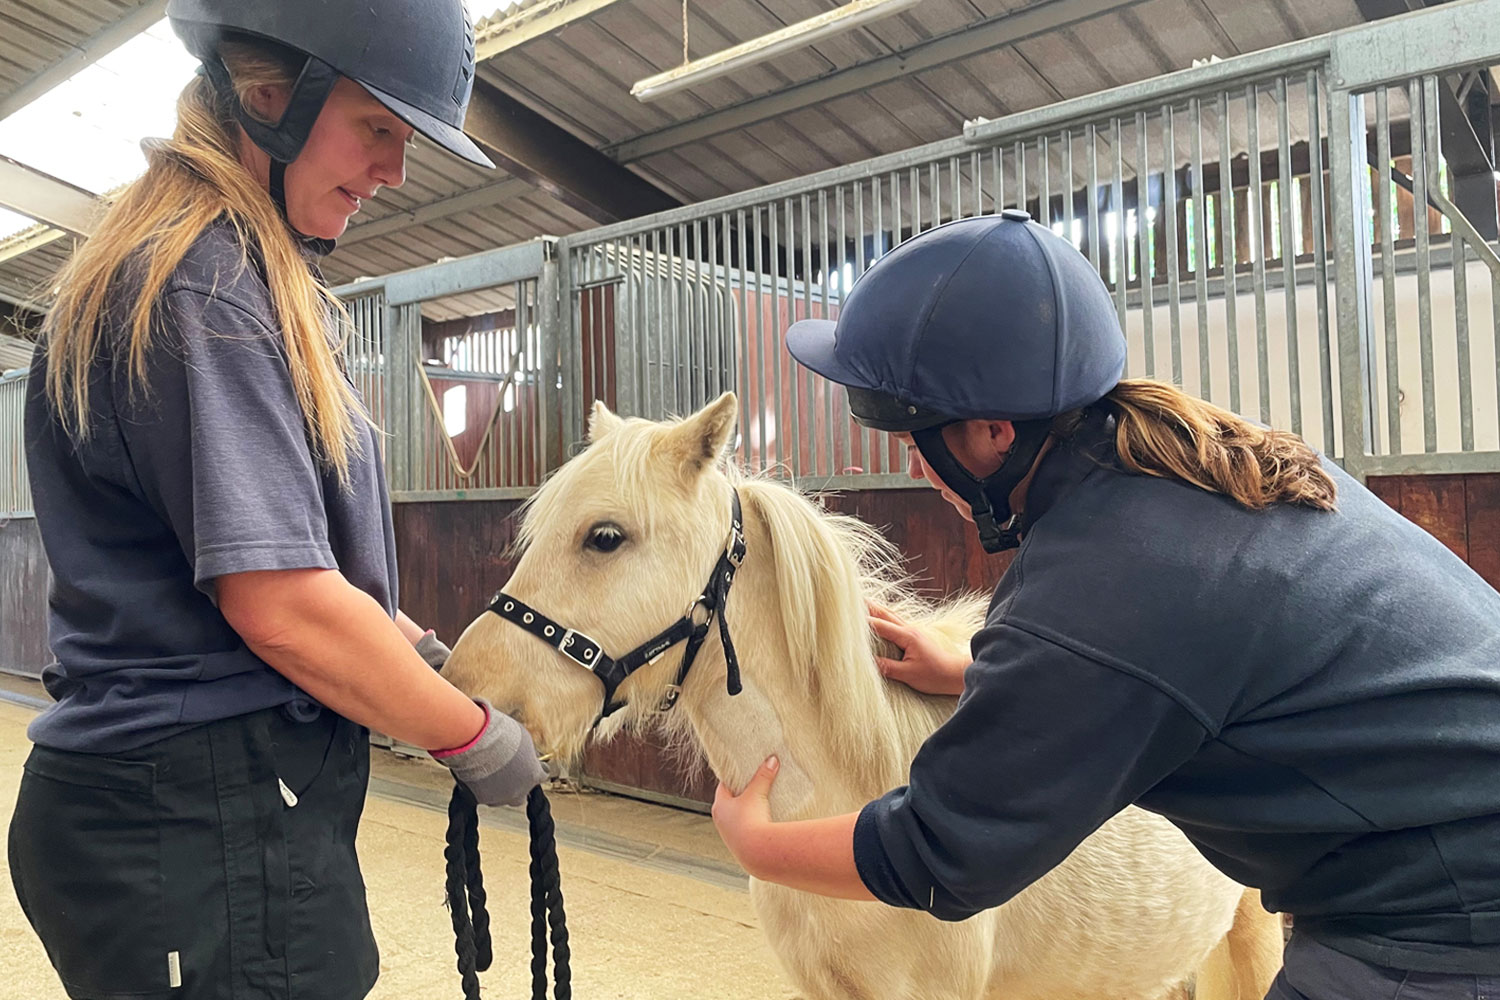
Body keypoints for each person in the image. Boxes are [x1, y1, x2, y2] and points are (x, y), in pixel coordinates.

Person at [710, 210, 1500, 999]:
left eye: (914, 439)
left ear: (990, 434)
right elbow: (1192, 656)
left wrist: (758, 846)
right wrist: (979, 673)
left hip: (1444, 916)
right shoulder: (1195, 464)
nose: (917, 467)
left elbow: (943, 852)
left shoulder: (1100, 578)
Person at [7, 2, 543, 997]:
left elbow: (287, 570)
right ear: (271, 96)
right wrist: (471, 735)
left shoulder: (203, 268)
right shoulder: (203, 286)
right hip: (201, 816)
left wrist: (403, 642)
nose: (394, 171)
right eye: (377, 126)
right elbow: (284, 606)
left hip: (191, 811)